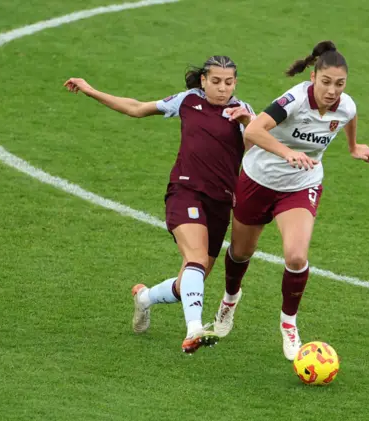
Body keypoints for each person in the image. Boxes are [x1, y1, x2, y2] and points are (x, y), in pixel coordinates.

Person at [64, 55, 254, 354]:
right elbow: (137, 108)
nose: (222, 88)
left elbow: (258, 155)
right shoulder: (188, 101)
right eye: (215, 81)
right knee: (195, 260)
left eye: (228, 82)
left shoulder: (243, 114)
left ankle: (144, 298)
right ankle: (194, 329)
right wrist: (91, 90)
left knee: (191, 280)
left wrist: (248, 124)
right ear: (203, 81)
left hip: (220, 203)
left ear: (235, 83)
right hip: (185, 191)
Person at [211, 41, 369, 360]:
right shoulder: (293, 101)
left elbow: (349, 118)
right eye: (326, 82)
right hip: (258, 179)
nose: (332, 91)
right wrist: (288, 153)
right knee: (241, 251)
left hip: (301, 185)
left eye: (339, 84)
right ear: (314, 77)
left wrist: (353, 147)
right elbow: (253, 132)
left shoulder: (346, 106)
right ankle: (229, 301)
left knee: (297, 257)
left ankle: (289, 324)